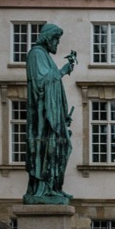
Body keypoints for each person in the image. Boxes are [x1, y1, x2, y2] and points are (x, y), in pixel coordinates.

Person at [24, 23, 76, 204]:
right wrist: (62, 71)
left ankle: (54, 187)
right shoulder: (36, 54)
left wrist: (61, 114)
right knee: (50, 148)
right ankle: (44, 188)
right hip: (42, 121)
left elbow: (52, 87)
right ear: (48, 38)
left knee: (63, 146)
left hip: (51, 116)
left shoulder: (44, 56)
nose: (57, 44)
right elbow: (42, 83)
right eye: (56, 39)